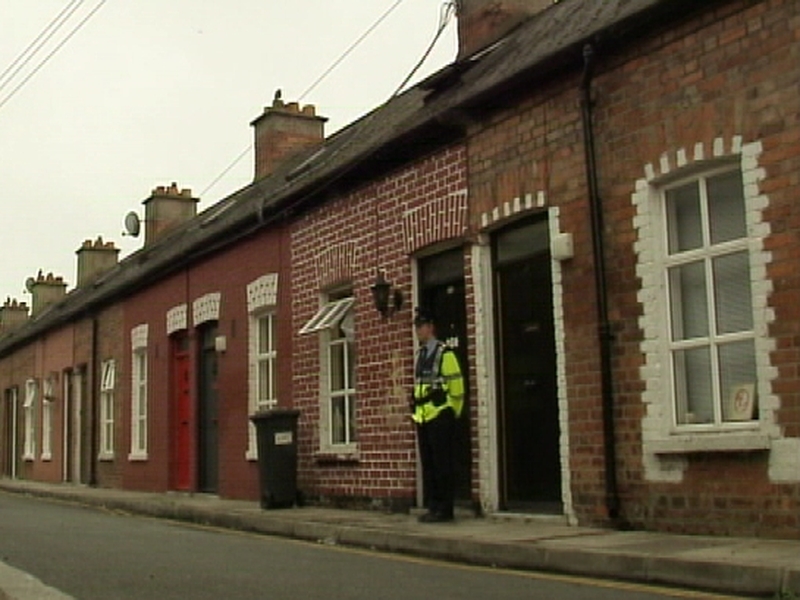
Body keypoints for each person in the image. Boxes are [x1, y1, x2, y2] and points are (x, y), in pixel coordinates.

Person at [411, 307, 464, 523]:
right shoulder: (421, 354)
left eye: (420, 326)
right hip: (423, 417)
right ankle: (434, 507)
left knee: (443, 465)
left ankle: (445, 509)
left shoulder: (445, 353)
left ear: (430, 328)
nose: (417, 331)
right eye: (416, 327)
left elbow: (457, 387)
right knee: (430, 465)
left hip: (441, 416)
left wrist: (451, 412)